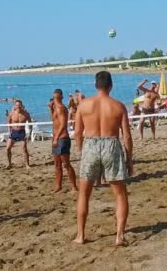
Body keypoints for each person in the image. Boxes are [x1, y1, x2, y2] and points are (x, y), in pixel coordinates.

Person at [73, 71, 133, 246]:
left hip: (90, 145)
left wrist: (80, 149)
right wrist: (129, 159)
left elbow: (77, 132)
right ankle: (119, 236)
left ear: (95, 85)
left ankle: (80, 235)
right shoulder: (119, 106)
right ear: (111, 86)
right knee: (120, 195)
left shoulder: (84, 105)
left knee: (84, 194)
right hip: (111, 144)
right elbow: (127, 136)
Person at [50, 89, 78, 193]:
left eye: (56, 98)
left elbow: (63, 124)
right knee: (57, 164)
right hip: (57, 138)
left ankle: (74, 187)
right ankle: (58, 186)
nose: (55, 100)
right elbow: (54, 121)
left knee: (66, 164)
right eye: (54, 98)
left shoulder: (60, 108)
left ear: (61, 97)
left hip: (62, 138)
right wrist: (50, 109)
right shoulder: (55, 108)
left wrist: (56, 138)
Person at [6, 100, 31, 169]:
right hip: (13, 132)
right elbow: (8, 123)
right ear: (15, 106)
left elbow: (30, 124)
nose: (18, 106)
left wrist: (30, 134)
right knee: (8, 148)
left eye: (20, 105)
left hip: (22, 132)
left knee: (24, 149)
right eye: (17, 105)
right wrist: (9, 132)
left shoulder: (26, 114)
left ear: (22, 105)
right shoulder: (11, 114)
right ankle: (9, 164)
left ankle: (27, 165)